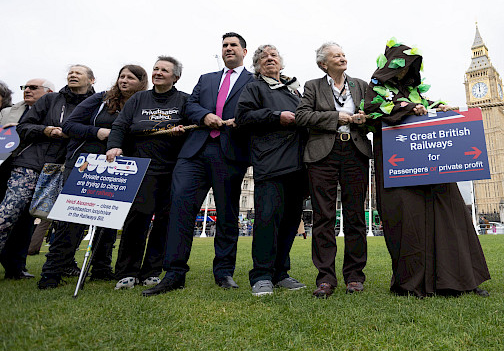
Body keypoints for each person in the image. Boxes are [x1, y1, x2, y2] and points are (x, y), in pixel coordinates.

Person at [364, 39, 490, 298]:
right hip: (400, 169)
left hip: (434, 167)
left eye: (410, 66)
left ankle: (461, 279)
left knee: (451, 218)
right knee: (409, 224)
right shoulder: (375, 90)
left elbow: (427, 109)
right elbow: (373, 113)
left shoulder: (416, 92)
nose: (405, 72)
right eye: (402, 66)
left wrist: (437, 109)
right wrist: (408, 109)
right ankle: (413, 283)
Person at [144, 34, 254, 296]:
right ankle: (173, 273)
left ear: (244, 51)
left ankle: (224, 272)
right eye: (224, 45)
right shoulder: (206, 79)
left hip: (230, 152)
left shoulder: (254, 82)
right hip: (194, 152)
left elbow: (256, 112)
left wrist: (243, 120)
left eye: (233, 45)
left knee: (227, 215)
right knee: (179, 210)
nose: (228, 49)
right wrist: (205, 116)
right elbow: (190, 105)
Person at [37, 65, 148, 289]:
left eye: (130, 78)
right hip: (85, 164)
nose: (124, 80)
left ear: (141, 83)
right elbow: (69, 125)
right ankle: (52, 272)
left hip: (118, 169)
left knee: (109, 221)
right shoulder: (101, 99)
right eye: (121, 76)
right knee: (71, 220)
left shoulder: (143, 105)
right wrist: (98, 133)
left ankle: (101, 268)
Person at [296, 42, 372, 298]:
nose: (342, 57)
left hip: (355, 152)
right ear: (323, 64)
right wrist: (335, 117)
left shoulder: (360, 85)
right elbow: (302, 116)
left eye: (343, 54)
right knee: (323, 217)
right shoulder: (312, 86)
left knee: (355, 217)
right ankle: (326, 278)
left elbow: (375, 113)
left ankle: (354, 276)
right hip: (322, 155)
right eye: (335, 55)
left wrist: (364, 118)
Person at [106, 56, 189, 290]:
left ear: (176, 77)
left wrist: (182, 131)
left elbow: (194, 125)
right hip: (141, 168)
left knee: (165, 221)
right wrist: (114, 145)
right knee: (137, 219)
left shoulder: (183, 100)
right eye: (155, 69)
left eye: (164, 70)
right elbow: (120, 125)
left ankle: (152, 270)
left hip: (173, 169)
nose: (158, 73)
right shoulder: (139, 99)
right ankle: (126, 272)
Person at [0, 66, 95, 264]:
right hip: (31, 163)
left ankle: (64, 264)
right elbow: (24, 127)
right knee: (8, 213)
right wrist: (46, 130)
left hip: (69, 167)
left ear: (92, 80)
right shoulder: (50, 100)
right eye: (71, 72)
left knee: (67, 221)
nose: (73, 74)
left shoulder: (97, 104)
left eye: (79, 72)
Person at [235, 45, 307, 297]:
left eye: (273, 55)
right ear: (256, 65)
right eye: (263, 57)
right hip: (271, 163)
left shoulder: (294, 89)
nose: (269, 59)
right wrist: (276, 116)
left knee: (289, 222)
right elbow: (242, 117)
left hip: (298, 165)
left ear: (281, 62)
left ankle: (281, 273)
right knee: (267, 220)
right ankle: (262, 275)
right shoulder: (255, 87)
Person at [0, 78, 55, 280]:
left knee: (24, 220)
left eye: (33, 87)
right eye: (25, 87)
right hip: (4, 166)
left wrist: (23, 128)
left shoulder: (54, 111)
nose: (27, 91)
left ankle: (16, 267)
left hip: (31, 168)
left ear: (48, 92)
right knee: (4, 216)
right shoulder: (8, 112)